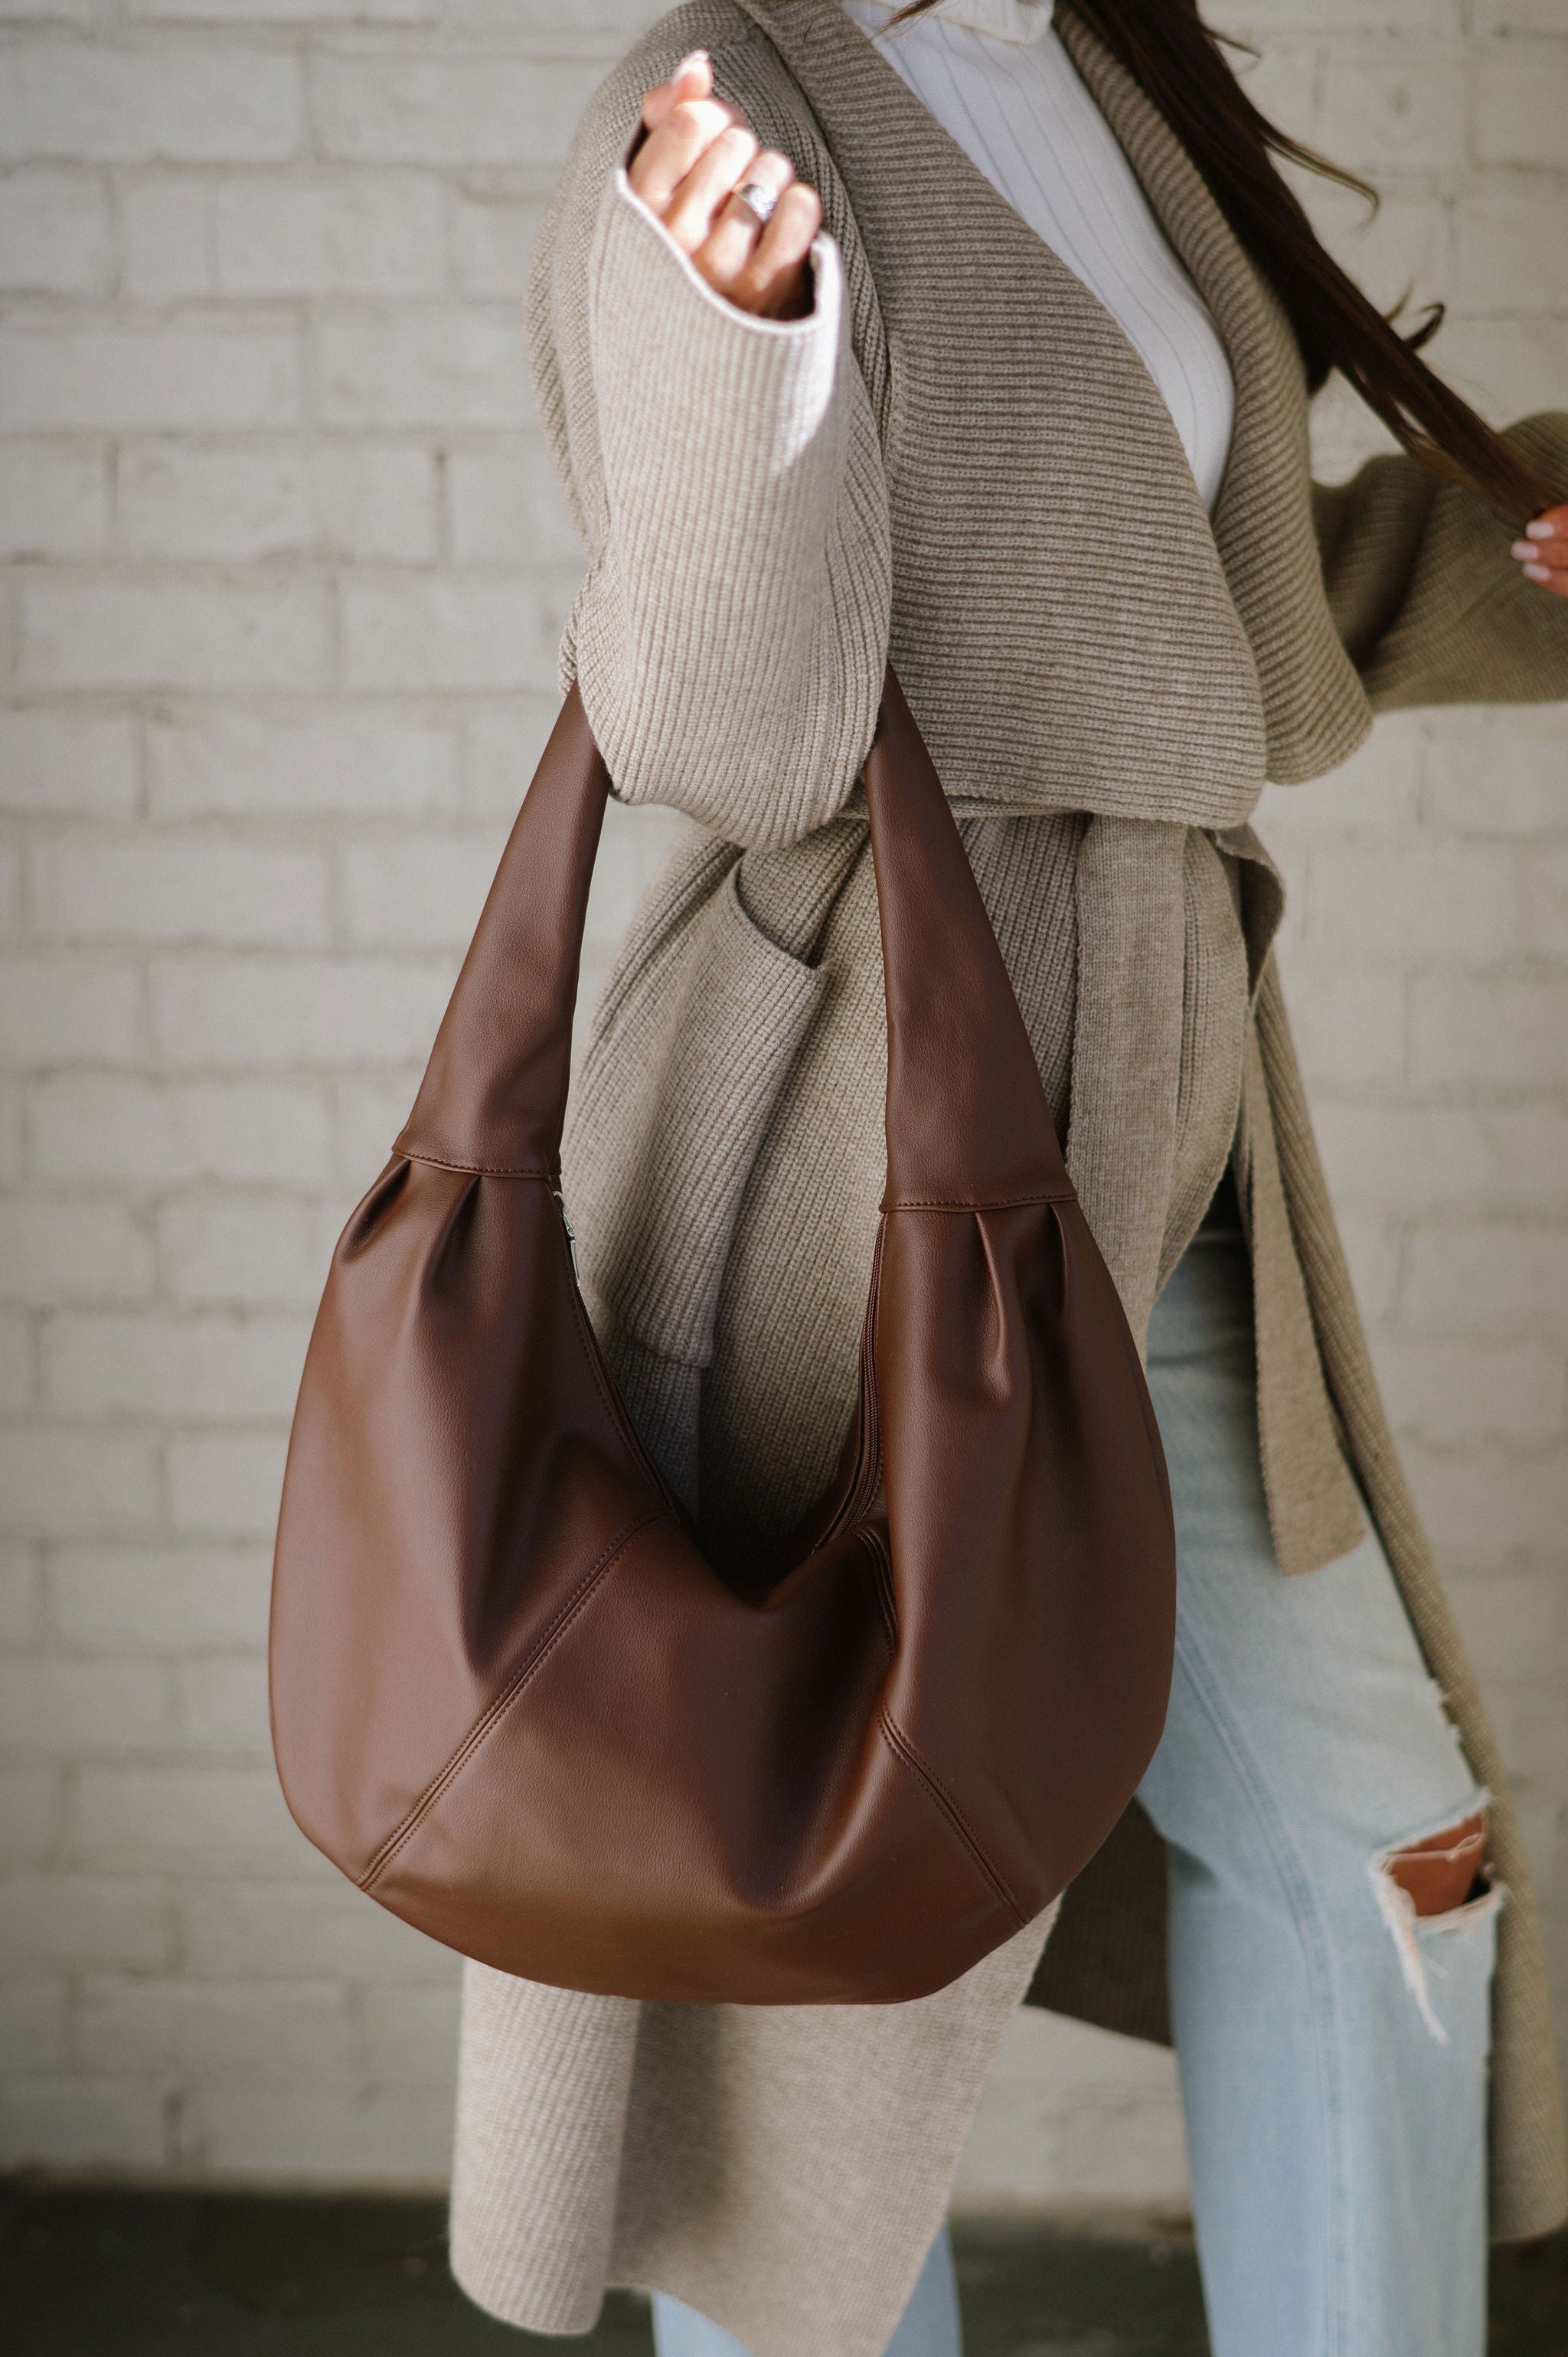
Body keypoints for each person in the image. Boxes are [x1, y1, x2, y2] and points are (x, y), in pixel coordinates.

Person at [445, 6, 1568, 2355]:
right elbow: (721, 725)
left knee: (1380, 1843)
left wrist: (1515, 550)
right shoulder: (720, 102)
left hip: (1165, 1125)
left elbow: (1218, 637)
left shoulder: (1097, 77)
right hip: (834, 1178)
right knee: (797, 1959)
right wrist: (736, 362)